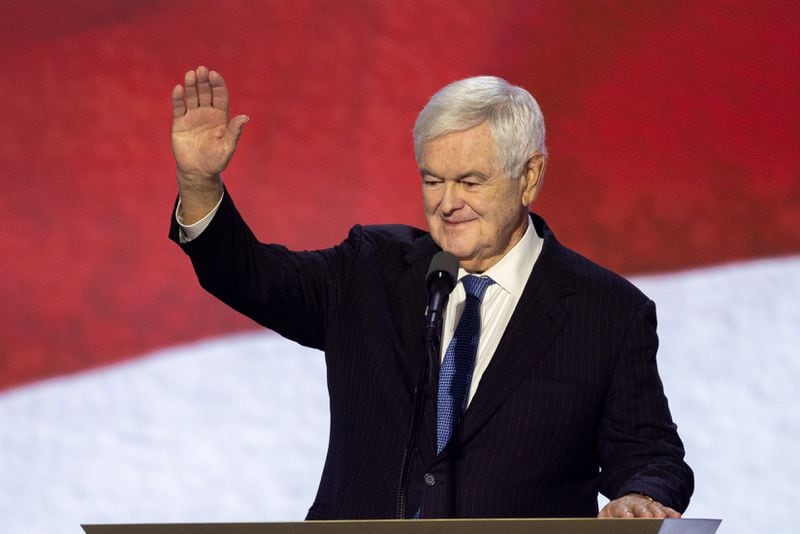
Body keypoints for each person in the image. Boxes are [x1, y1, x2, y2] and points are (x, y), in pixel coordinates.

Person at [169, 66, 693, 520]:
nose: (447, 203)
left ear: (529, 177)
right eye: (432, 180)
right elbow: (250, 277)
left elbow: (649, 452)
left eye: (469, 181)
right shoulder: (369, 270)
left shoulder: (605, 311)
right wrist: (199, 184)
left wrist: (641, 496)